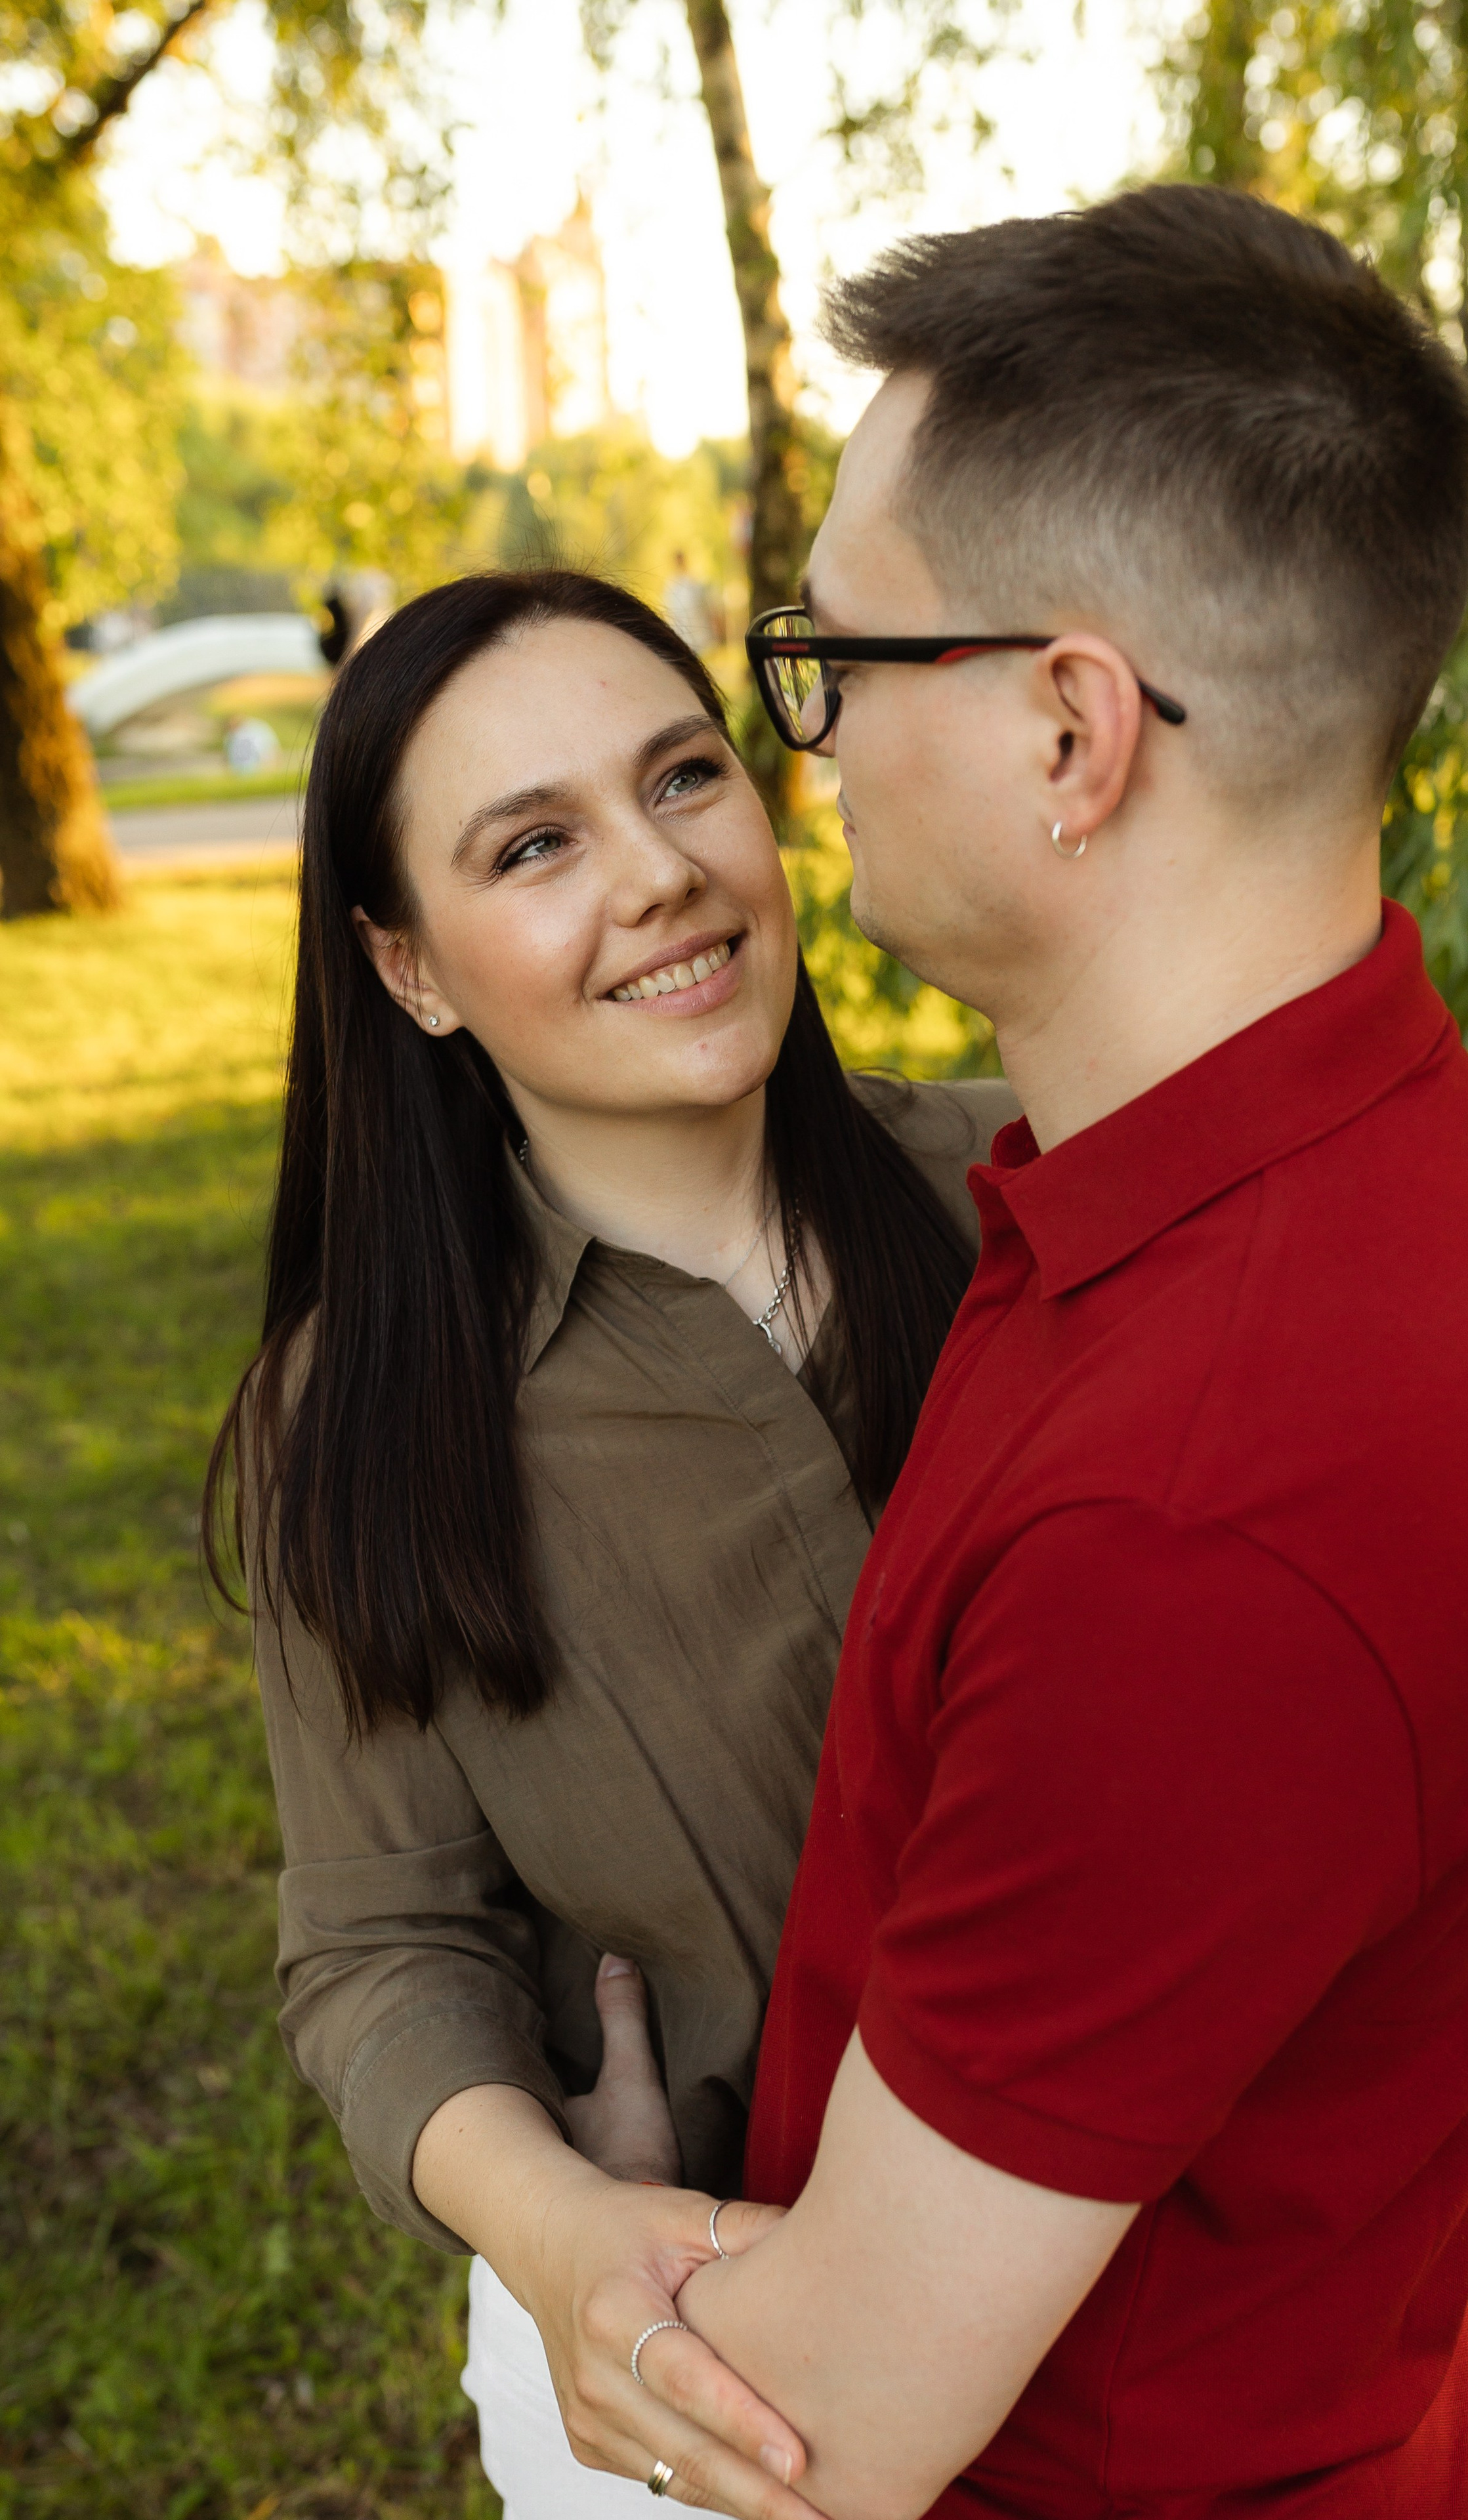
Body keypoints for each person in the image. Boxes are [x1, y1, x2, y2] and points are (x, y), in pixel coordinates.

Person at [507, 186, 1468, 2519]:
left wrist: (582, 2255)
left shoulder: (1205, 1509)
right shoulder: (1333, 1142)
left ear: (1068, 728)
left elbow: (826, 2429)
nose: (801, 747)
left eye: (833, 663)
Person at [203, 566, 1015, 2520]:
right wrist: (561, 2225)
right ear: (410, 968)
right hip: (705, 2361)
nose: (655, 873)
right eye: (538, 843)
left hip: (1163, 2279)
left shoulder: (1030, 1197)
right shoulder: (360, 1430)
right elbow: (381, 1939)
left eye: (684, 778)